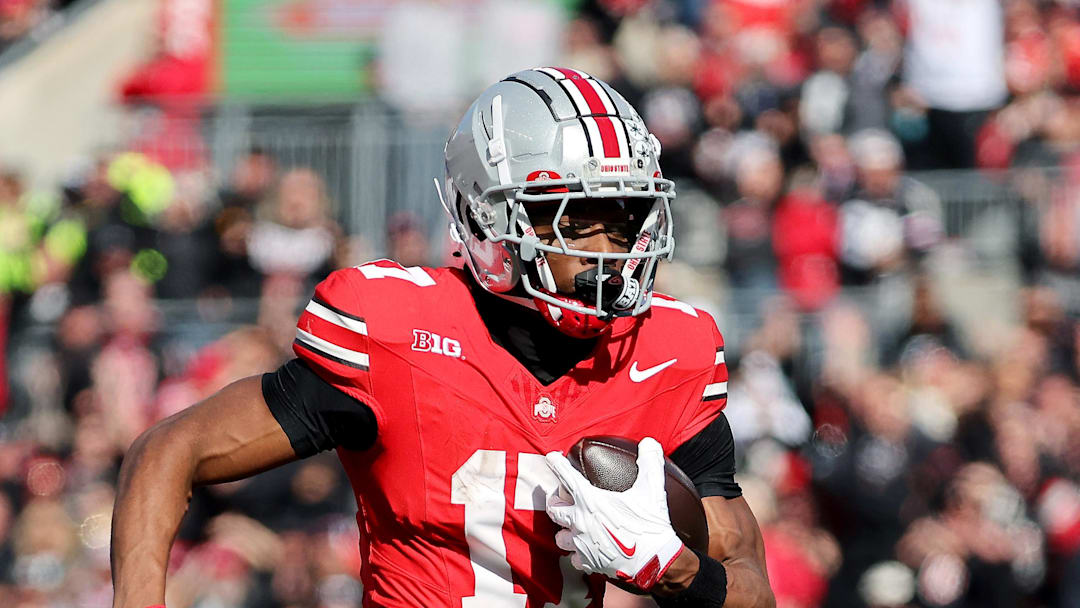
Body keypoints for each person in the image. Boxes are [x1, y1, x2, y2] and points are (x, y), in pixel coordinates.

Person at [110, 68, 774, 608]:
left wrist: (679, 572)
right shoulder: (398, 331)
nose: (608, 252)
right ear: (488, 218)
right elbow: (169, 450)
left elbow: (751, 583)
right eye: (574, 222)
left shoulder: (668, 353)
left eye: (623, 218)